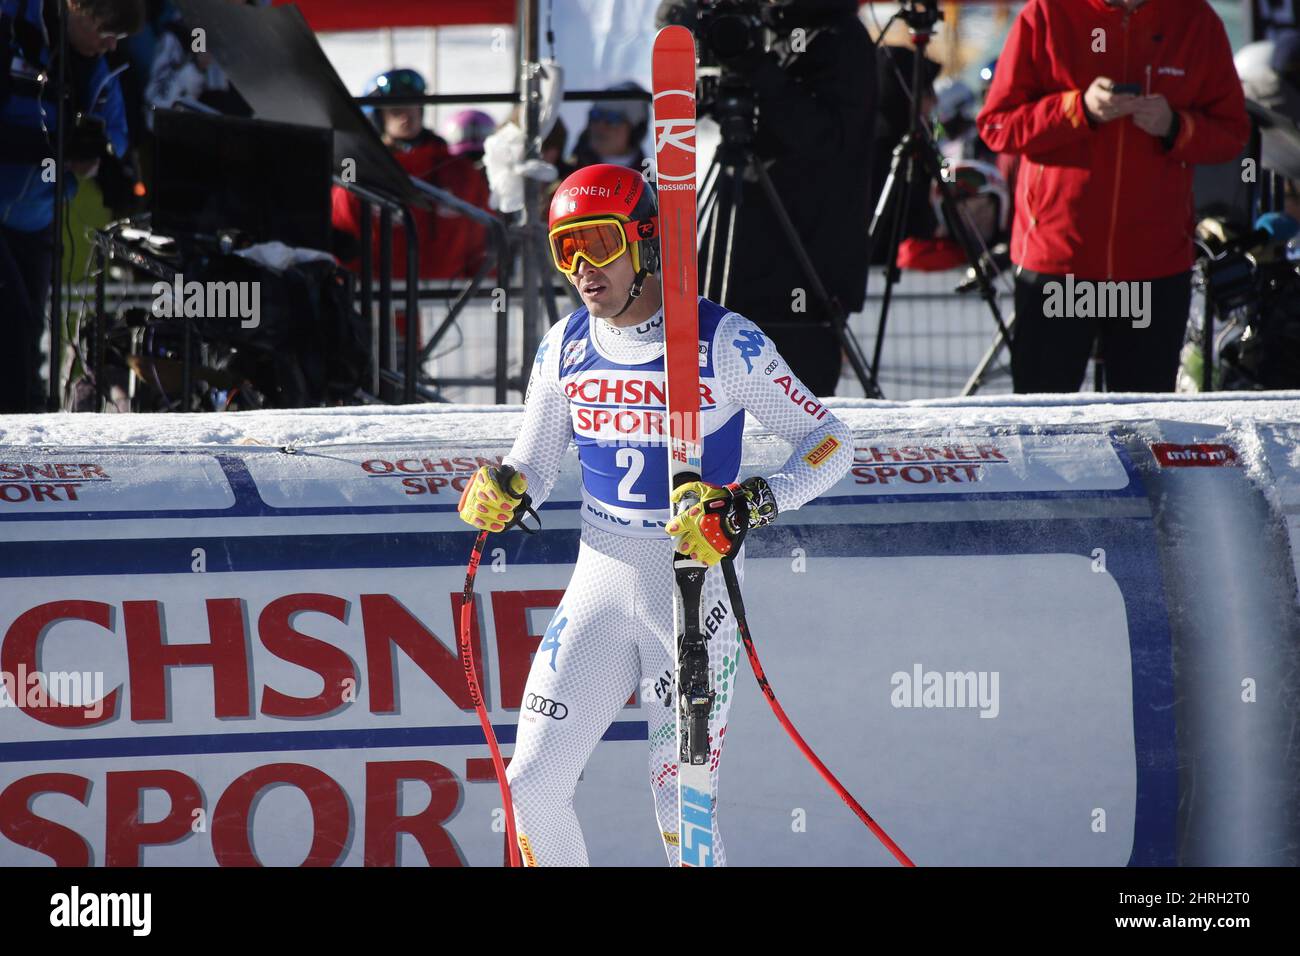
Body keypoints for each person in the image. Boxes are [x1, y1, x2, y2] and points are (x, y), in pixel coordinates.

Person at [455, 163, 851, 866]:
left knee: (681, 810)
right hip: (600, 584)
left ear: (645, 242)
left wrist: (750, 505)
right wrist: (503, 489)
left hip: (693, 599)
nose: (582, 267)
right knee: (530, 785)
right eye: (565, 248)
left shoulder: (722, 341)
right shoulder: (566, 344)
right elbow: (536, 465)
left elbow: (829, 442)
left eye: (599, 243)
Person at [977, 0, 1249, 393]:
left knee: (1143, 426)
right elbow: (997, 126)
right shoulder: (1046, 15)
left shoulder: (1195, 21)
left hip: (1152, 265)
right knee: (1044, 421)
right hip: (1061, 261)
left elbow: (1232, 132)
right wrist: (1076, 109)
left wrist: (1176, 125)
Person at [0, 0, 143, 412]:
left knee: (27, 339)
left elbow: (115, 135)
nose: (111, 45)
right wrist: (53, 149)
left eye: (119, 37)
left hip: (39, 216)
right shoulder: (12, 30)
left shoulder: (99, 64)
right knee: (12, 324)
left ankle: (26, 434)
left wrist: (97, 157)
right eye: (104, 31)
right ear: (77, 10)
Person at [331, 68, 489, 281]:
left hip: (451, 301)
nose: (406, 116)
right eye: (395, 109)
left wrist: (486, 288)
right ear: (378, 116)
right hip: (380, 303)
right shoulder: (361, 177)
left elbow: (482, 241)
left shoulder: (460, 173)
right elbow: (343, 242)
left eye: (412, 106)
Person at [566, 80, 649, 172]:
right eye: (596, 115)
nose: (600, 125)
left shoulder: (655, 181)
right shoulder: (563, 176)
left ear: (635, 131)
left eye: (613, 119)